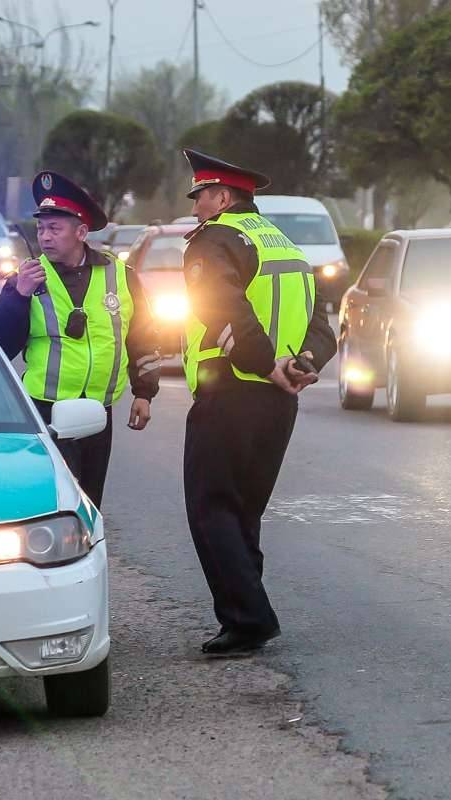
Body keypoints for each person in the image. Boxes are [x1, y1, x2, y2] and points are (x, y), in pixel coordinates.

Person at [179, 149, 337, 656]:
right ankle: (246, 612)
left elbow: (221, 307)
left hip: (231, 390)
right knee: (244, 509)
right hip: (278, 401)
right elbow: (320, 327)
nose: (196, 207)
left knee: (211, 508)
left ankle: (249, 618)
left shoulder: (215, 240)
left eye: (201, 196)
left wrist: (265, 362)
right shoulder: (286, 245)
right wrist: (302, 364)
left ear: (223, 197)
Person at [0, 171, 161, 509]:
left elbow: (142, 335)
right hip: (47, 409)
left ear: (81, 232)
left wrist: (145, 393)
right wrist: (19, 297)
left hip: (99, 411)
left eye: (55, 228)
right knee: (52, 503)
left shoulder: (119, 275)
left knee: (90, 502)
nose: (45, 237)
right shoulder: (26, 279)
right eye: (41, 228)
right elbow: (0, 347)